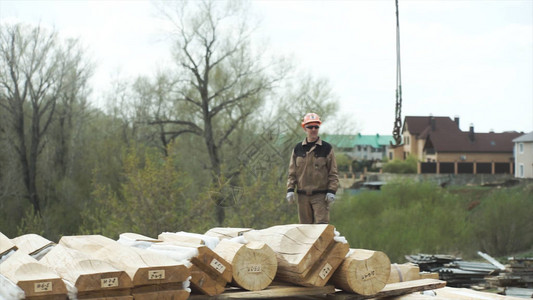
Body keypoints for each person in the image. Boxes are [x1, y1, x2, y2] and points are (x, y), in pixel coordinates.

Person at [286, 113, 339, 224]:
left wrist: (332, 191)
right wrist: (290, 190)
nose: (313, 129)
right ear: (304, 128)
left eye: (316, 127)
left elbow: (333, 173)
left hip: (320, 196)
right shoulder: (298, 149)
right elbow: (292, 173)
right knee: (305, 230)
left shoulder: (326, 148)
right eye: (310, 127)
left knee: (321, 229)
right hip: (302, 197)